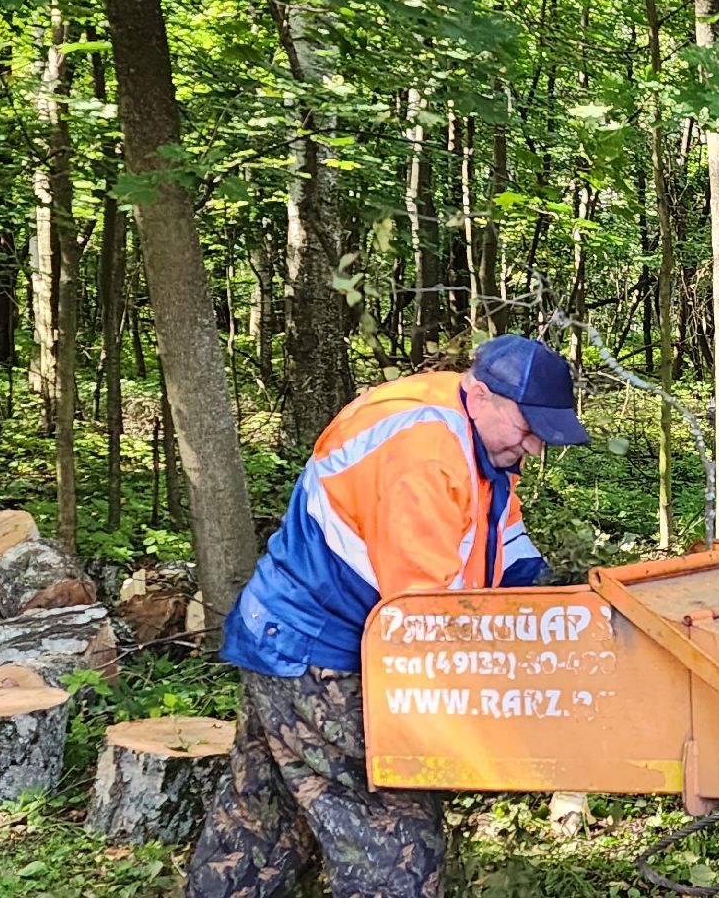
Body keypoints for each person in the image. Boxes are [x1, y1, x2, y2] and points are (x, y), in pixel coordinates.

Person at [186, 334, 589, 898]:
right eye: (527, 430)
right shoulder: (425, 457)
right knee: (394, 847)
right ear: (479, 395)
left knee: (261, 831)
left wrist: (554, 597)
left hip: (287, 637)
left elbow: (501, 538)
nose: (534, 449)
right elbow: (425, 620)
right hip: (319, 654)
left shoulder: (476, 438)